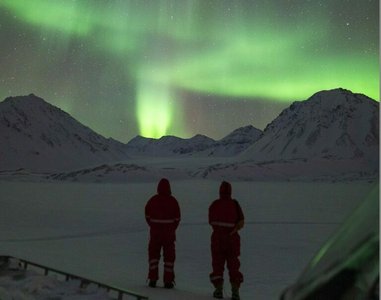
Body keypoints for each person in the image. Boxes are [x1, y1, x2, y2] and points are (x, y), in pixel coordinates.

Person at [209, 181, 244, 300]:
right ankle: (235, 292)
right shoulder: (235, 204)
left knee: (217, 265)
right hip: (232, 240)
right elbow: (241, 221)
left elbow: (211, 221)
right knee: (234, 265)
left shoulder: (214, 204)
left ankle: (218, 290)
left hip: (218, 240)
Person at [145, 178, 181, 288]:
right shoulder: (173, 201)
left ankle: (152, 279)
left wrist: (154, 226)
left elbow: (147, 216)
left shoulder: (153, 200)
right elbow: (177, 218)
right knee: (169, 258)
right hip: (169, 235)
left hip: (155, 234)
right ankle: (168, 282)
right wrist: (171, 228)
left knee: (153, 257)